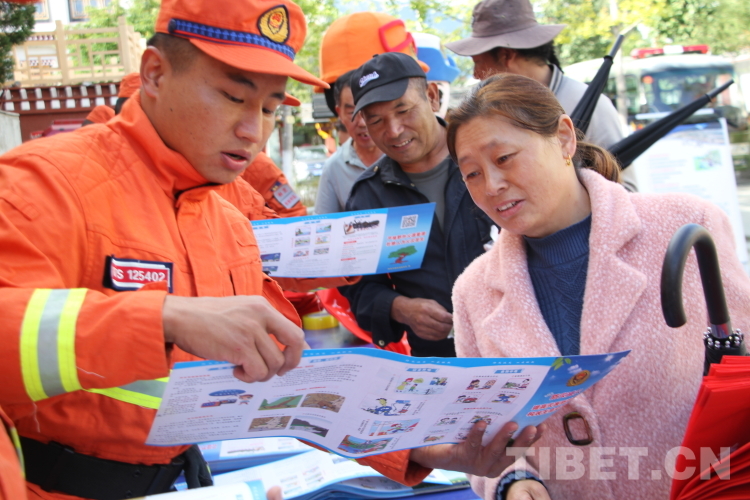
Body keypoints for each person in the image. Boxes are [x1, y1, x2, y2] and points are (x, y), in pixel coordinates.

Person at [446, 74, 750, 500]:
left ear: (564, 138)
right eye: (472, 173)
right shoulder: (473, 291)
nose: (492, 185)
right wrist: (512, 482)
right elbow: (484, 432)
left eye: (505, 158)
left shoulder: (686, 227)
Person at [341, 52, 495, 357]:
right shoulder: (369, 197)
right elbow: (357, 287)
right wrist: (400, 308)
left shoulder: (489, 158)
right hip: (438, 362)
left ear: (432, 97)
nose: (394, 130)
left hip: (522, 349)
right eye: (376, 121)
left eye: (404, 110)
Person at [445, 0, 638, 192]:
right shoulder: (489, 112)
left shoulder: (590, 104)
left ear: (506, 55)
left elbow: (625, 189)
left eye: (478, 62)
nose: (475, 74)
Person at [314, 70, 383, 214]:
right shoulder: (334, 168)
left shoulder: (403, 153)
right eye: (352, 112)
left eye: (369, 110)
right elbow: (323, 223)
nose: (362, 122)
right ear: (340, 114)